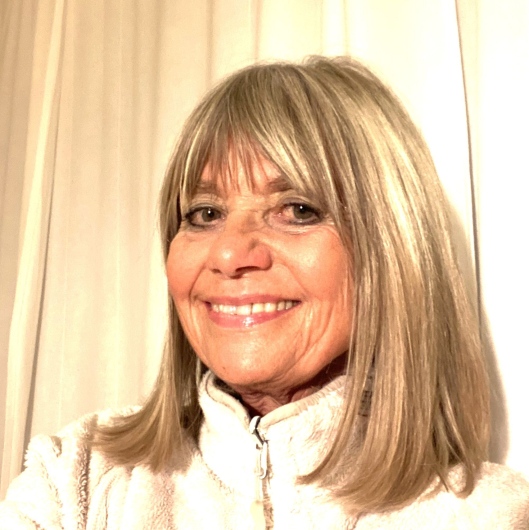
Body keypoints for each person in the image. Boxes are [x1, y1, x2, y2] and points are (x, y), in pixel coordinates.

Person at [1, 56, 528, 529]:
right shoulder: (73, 481)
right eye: (205, 213)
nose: (229, 253)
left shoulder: (492, 515)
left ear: (393, 251)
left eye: (298, 210)